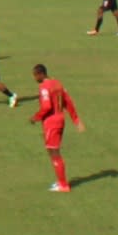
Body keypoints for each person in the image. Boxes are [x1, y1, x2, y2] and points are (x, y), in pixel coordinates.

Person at [29, 63, 83, 193]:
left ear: (40, 74)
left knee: (54, 152)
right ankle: (60, 182)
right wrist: (76, 120)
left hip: (51, 122)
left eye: (35, 76)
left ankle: (63, 185)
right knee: (54, 151)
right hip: (60, 119)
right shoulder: (58, 83)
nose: (35, 79)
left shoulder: (44, 87)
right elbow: (68, 101)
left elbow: (47, 107)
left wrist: (35, 117)